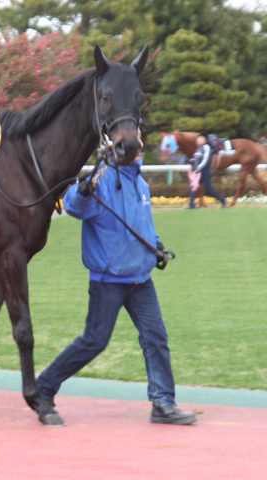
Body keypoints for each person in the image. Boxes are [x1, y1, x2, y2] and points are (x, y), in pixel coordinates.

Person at [36, 148, 198, 426]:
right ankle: (44, 387)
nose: (139, 147)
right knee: (94, 341)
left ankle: (163, 403)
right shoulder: (101, 178)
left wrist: (156, 246)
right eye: (134, 143)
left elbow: (144, 223)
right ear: (116, 149)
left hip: (140, 279)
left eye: (140, 142)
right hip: (108, 280)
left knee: (156, 337)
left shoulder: (141, 182)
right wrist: (82, 192)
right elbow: (73, 206)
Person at [189, 133, 227, 208]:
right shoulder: (199, 148)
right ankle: (191, 204)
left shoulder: (206, 147)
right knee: (193, 187)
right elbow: (196, 159)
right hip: (199, 172)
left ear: (205, 140)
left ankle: (223, 200)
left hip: (205, 173)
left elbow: (205, 160)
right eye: (198, 138)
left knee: (208, 190)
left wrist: (198, 168)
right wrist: (189, 161)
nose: (198, 140)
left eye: (200, 138)